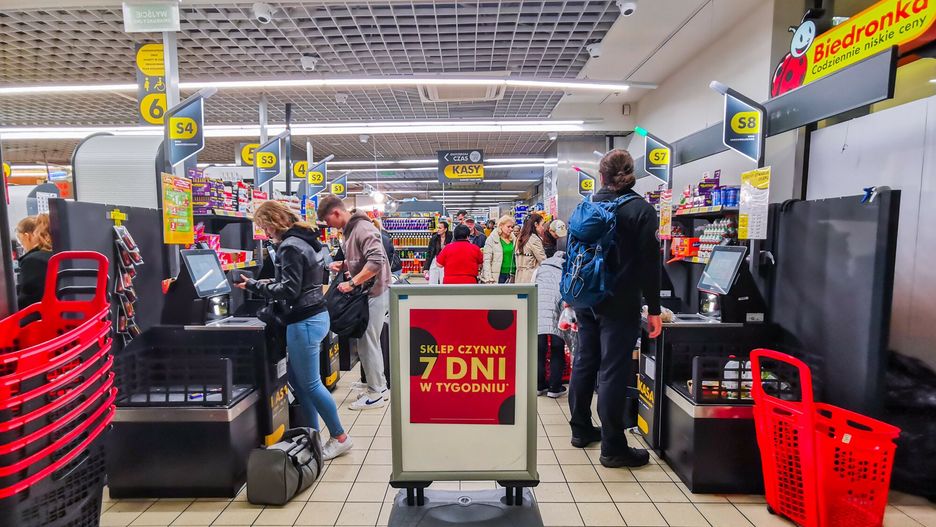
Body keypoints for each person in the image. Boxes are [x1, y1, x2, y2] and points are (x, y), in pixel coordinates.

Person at [568, 149, 662, 469]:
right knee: (612, 369)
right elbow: (650, 265)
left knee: (585, 360)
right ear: (631, 173)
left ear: (601, 176)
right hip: (620, 301)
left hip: (586, 296)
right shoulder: (641, 210)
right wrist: (654, 309)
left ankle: (581, 429)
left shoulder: (586, 206)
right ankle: (613, 446)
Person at [236, 201, 352, 460]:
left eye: (264, 226)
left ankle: (340, 437)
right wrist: (260, 282)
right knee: (300, 383)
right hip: (315, 315)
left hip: (304, 321)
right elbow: (294, 281)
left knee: (310, 384)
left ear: (273, 221)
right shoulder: (307, 239)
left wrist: (255, 286)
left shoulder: (289, 246)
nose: (265, 232)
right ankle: (312, 436)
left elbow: (289, 290)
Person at [317, 194, 391, 410]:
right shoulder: (351, 230)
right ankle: (380, 387)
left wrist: (352, 283)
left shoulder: (362, 228)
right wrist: (345, 265)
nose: (329, 226)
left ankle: (375, 394)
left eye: (328, 221)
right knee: (369, 342)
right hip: (370, 293)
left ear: (336, 212)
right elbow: (363, 259)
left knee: (367, 343)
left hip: (375, 293)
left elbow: (376, 260)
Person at [535, 250, 567, 398]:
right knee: (557, 348)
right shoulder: (567, 269)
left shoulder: (541, 268)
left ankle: (538, 385)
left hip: (539, 308)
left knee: (539, 348)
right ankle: (554, 388)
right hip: (558, 310)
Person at [15, 214, 52, 308]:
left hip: (40, 315)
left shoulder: (33, 261)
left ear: (27, 236)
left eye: (20, 240)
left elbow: (27, 301)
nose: (22, 245)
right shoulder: (54, 254)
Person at [480, 215, 517, 284]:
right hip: (498, 275)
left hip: (513, 275)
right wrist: (488, 277)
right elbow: (487, 260)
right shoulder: (491, 239)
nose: (511, 229)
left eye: (512, 227)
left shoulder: (514, 239)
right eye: (508, 227)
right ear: (501, 226)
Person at [514, 214, 546, 284]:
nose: (543, 228)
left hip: (519, 277)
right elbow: (542, 260)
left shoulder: (519, 238)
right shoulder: (534, 239)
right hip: (531, 277)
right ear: (536, 224)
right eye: (542, 225)